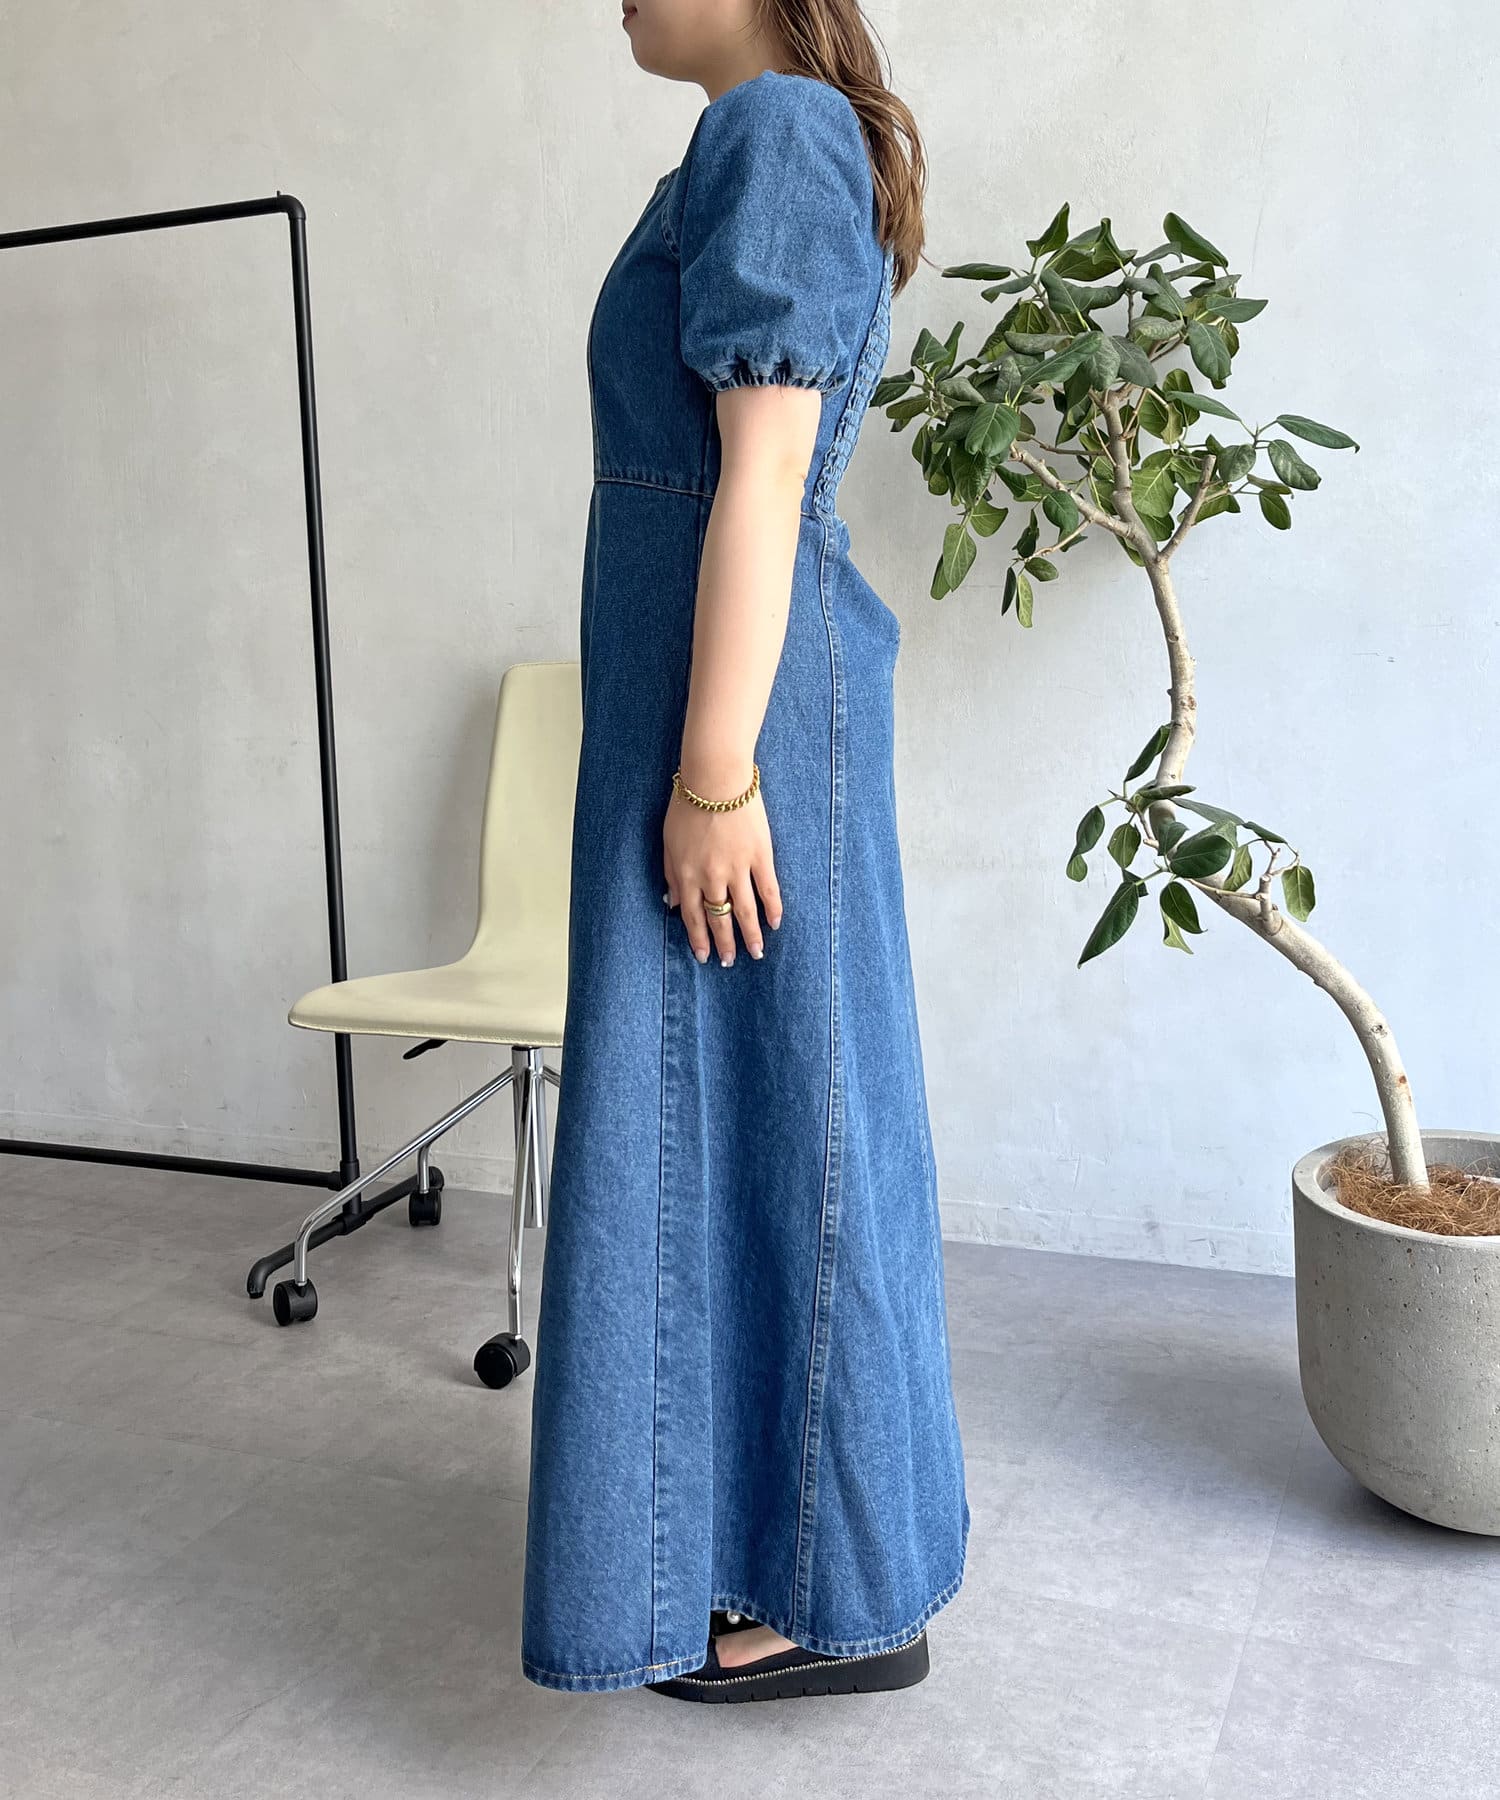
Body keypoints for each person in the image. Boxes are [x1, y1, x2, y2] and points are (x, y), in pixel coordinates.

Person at [519, 0, 969, 1705]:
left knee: (795, 1123)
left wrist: (716, 771)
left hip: (742, 728)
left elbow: (766, 475)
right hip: (714, 714)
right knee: (746, 1126)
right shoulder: (762, 138)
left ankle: (833, 1590)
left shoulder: (774, 131)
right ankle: (775, 1550)